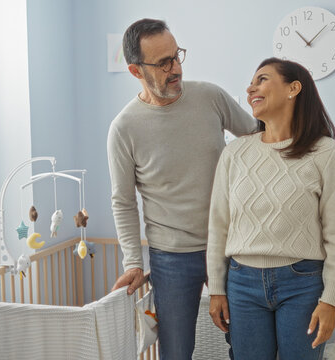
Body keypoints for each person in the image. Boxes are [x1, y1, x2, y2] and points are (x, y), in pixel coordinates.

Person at [107, 18, 257, 359]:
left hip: (232, 247)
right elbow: (123, 201)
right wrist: (132, 262)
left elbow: (257, 140)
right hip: (170, 257)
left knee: (249, 345)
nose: (175, 69)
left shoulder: (210, 97)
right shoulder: (124, 128)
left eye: (176, 57)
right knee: (175, 352)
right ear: (135, 71)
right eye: (163, 63)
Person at [207, 58, 335, 359]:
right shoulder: (234, 153)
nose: (251, 88)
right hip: (241, 283)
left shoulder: (327, 153)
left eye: (262, 79)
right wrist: (217, 289)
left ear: (293, 88)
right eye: (251, 82)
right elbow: (218, 226)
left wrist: (331, 299)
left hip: (302, 284)